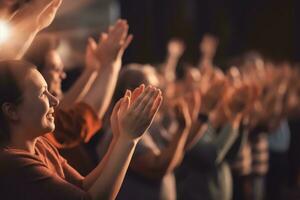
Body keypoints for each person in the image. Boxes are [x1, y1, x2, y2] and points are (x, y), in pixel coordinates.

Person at [0, 60, 163, 200]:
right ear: (12, 111)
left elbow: (82, 185)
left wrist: (119, 136)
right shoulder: (12, 163)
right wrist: (128, 139)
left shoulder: (40, 145)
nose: (55, 100)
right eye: (43, 93)